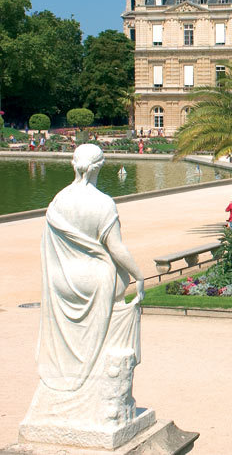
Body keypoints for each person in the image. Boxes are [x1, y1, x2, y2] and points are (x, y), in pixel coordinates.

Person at [24, 144, 144, 425]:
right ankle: (98, 395)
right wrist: (139, 275)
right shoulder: (103, 203)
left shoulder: (58, 201)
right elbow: (117, 249)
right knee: (105, 341)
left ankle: (64, 386)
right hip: (95, 280)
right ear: (100, 166)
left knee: (69, 340)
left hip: (62, 280)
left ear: (72, 163)